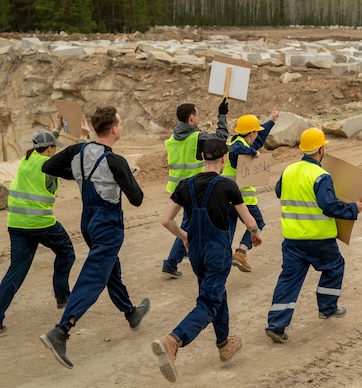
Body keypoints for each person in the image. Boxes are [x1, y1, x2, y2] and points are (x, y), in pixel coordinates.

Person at [39, 106, 149, 369]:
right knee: (95, 275)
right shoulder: (116, 161)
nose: (121, 127)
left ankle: (131, 313)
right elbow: (137, 199)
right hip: (107, 224)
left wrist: (78, 173)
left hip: (87, 221)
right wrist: (124, 178)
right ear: (113, 129)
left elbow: (48, 165)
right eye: (120, 124)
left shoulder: (78, 151)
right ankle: (61, 330)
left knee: (109, 268)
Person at [151, 138, 263, 382]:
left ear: (202, 157)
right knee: (209, 302)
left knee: (216, 294)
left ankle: (224, 344)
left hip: (197, 252)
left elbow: (166, 221)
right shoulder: (228, 186)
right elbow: (250, 221)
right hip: (217, 252)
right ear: (224, 159)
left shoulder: (185, 185)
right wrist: (255, 235)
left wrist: (185, 238)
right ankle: (173, 340)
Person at [265, 128, 362, 343]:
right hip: (319, 239)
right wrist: (353, 208)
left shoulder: (289, 170)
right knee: (334, 267)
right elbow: (329, 206)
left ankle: (276, 325)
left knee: (289, 280)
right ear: (321, 149)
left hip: (292, 239)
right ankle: (328, 308)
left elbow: (279, 192)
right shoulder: (321, 176)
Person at [0, 115, 89, 333]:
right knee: (67, 252)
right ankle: (62, 296)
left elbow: (46, 146)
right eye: (54, 147)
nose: (55, 151)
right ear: (49, 149)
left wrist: (56, 129)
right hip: (40, 222)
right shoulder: (49, 166)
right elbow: (78, 161)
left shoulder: (27, 160)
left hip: (17, 223)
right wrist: (84, 139)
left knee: (16, 269)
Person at [161, 99, 230, 279]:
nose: (198, 117)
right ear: (191, 118)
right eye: (197, 114)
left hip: (177, 187)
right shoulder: (197, 137)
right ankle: (171, 262)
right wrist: (222, 115)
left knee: (189, 221)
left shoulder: (171, 139)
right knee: (189, 225)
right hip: (194, 187)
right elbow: (220, 140)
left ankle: (181, 254)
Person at [222, 107, 278, 273]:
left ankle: (224, 256)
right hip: (243, 201)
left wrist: (272, 120)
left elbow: (259, 138)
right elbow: (241, 150)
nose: (257, 137)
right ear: (251, 133)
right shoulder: (237, 147)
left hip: (227, 200)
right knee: (258, 223)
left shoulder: (236, 142)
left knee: (229, 228)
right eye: (255, 133)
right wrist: (254, 152)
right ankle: (241, 252)